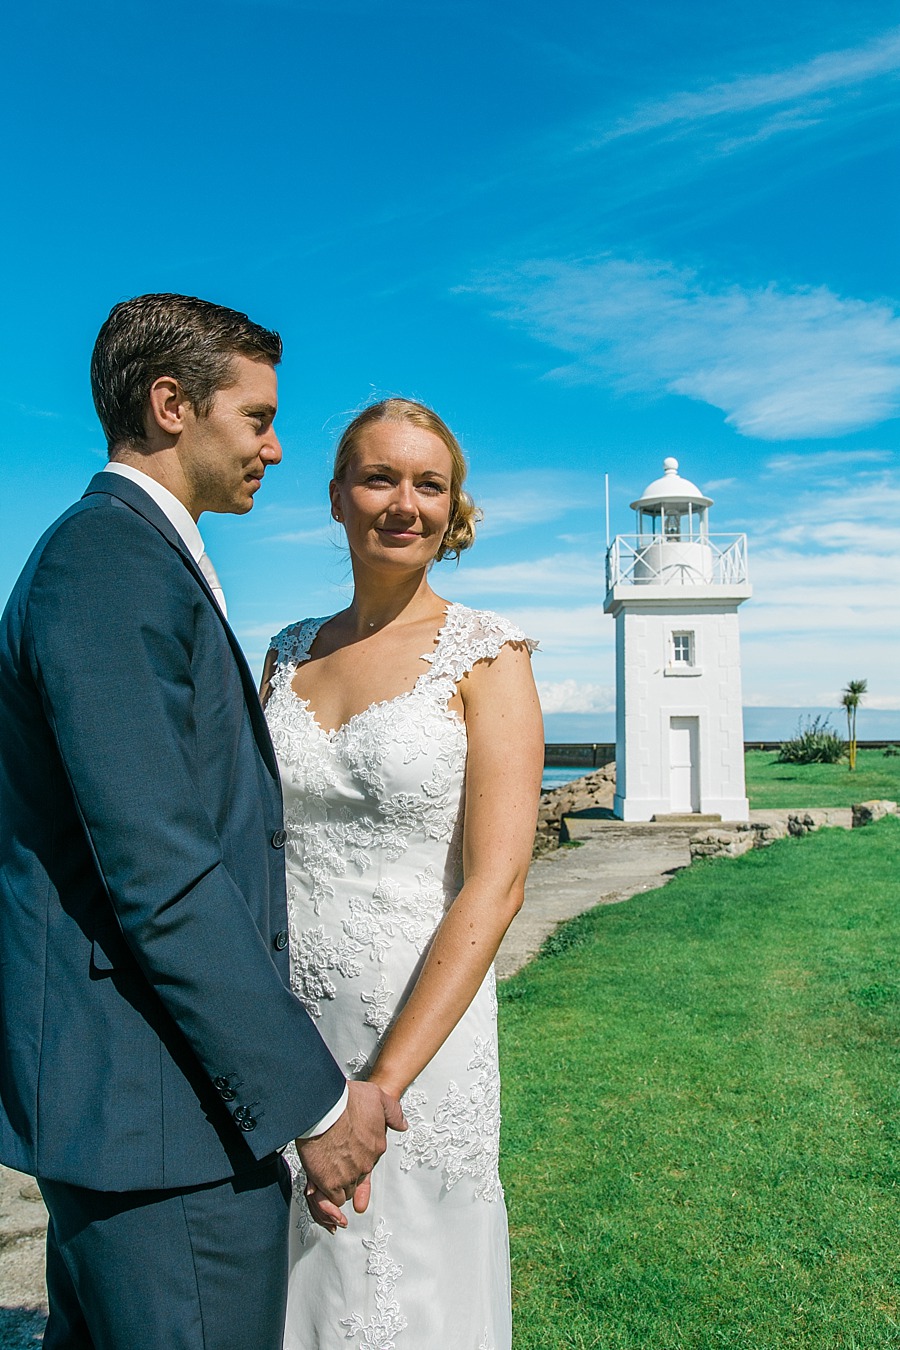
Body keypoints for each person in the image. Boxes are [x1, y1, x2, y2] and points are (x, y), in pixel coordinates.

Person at [0, 294, 404, 1350]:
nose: (275, 447)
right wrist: (313, 1108)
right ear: (172, 404)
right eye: (257, 417)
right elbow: (162, 873)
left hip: (151, 1110)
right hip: (161, 1120)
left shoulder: (136, 554)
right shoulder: (108, 561)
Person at [260, 398, 544, 1348]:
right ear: (338, 497)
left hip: (418, 1034)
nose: (404, 504)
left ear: (454, 509)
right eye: (380, 478)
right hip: (285, 1027)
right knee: (291, 1278)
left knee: (411, 1279)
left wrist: (381, 1088)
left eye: (430, 484)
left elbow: (495, 884)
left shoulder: (488, 657)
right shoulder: (283, 652)